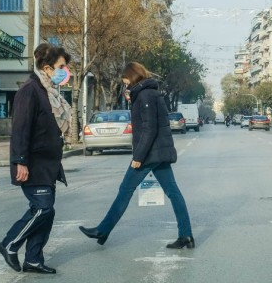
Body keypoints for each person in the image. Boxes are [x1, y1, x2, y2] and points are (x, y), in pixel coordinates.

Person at [79, 62, 193, 249]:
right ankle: (186, 235)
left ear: (131, 76)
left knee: (125, 190)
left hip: (149, 155)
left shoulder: (146, 95)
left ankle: (102, 230)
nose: (123, 82)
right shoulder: (147, 93)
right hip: (157, 153)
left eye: (124, 79)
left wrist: (138, 158)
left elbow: (149, 129)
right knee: (174, 192)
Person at [0, 43, 71, 274]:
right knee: (42, 209)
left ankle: (33, 259)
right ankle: (10, 243)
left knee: (47, 211)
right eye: (61, 66)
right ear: (47, 67)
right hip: (33, 163)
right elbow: (21, 128)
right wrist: (20, 161)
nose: (64, 71)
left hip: (48, 165)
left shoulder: (48, 92)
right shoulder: (30, 90)